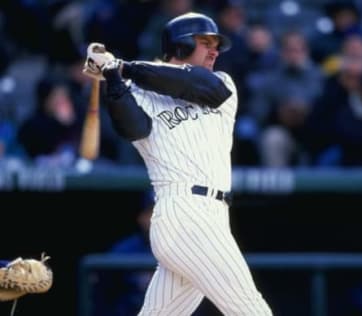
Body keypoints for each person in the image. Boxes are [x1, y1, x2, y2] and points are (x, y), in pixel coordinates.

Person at [83, 11, 272, 316]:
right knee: (250, 309)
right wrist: (112, 78)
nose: (214, 50)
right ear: (181, 46)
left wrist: (121, 66)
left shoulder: (220, 83)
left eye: (216, 44)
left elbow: (193, 83)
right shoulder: (137, 91)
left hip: (211, 216)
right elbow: (132, 129)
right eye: (205, 42)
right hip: (184, 211)